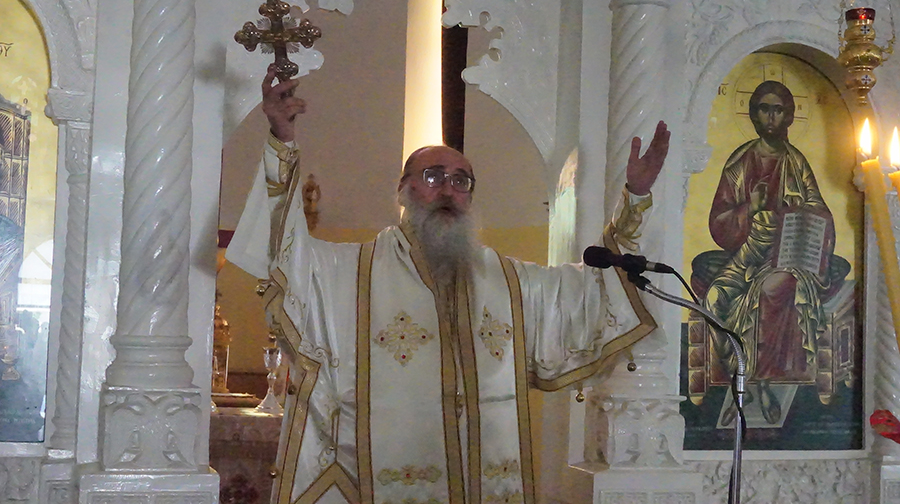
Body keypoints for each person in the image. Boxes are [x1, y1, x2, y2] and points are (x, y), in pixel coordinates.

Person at [227, 67, 670, 503]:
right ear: (403, 190)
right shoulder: (352, 272)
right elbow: (284, 251)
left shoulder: (508, 280)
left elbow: (588, 290)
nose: (448, 190)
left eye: (461, 181)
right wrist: (282, 141)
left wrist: (633, 200)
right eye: (433, 176)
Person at [694, 80, 847, 425]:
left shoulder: (796, 162)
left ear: (789, 116)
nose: (771, 117)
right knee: (714, 298)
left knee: (768, 291)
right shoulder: (740, 163)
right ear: (753, 114)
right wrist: (750, 207)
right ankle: (739, 376)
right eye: (764, 108)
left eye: (778, 110)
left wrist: (797, 213)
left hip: (787, 254)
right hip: (748, 253)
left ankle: (759, 385)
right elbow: (719, 222)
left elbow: (821, 212)